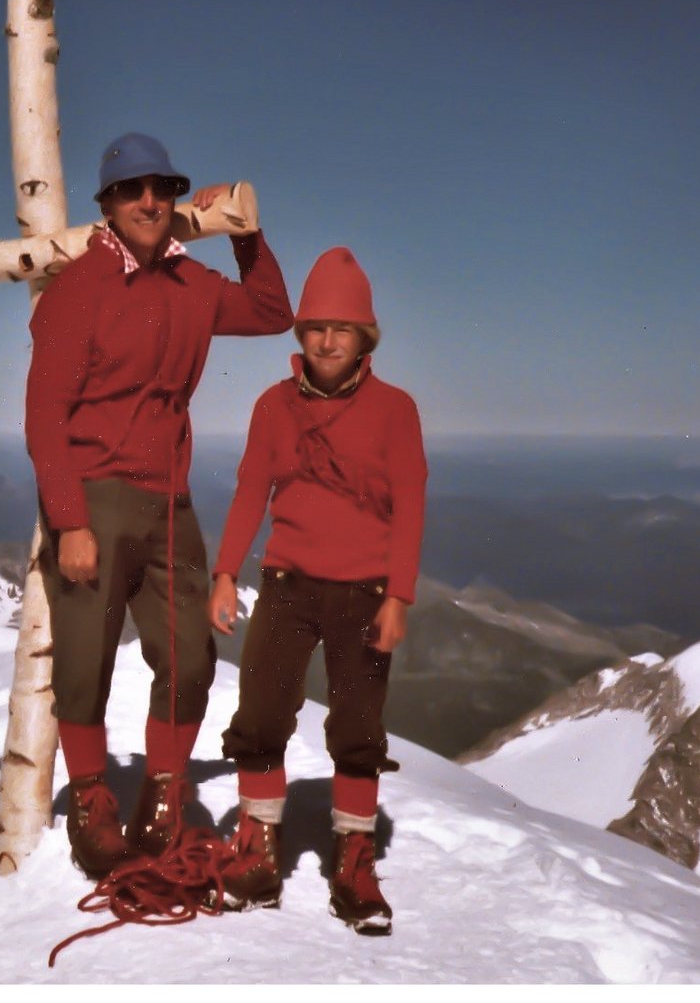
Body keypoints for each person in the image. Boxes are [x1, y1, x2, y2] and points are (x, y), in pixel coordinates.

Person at [25, 132, 294, 879]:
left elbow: (273, 311)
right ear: (107, 204)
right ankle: (91, 803)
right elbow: (46, 413)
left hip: (168, 502)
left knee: (191, 657)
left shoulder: (193, 285)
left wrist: (247, 233)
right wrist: (70, 519)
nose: (150, 202)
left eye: (163, 189)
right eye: (132, 190)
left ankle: (162, 795)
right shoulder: (78, 289)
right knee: (85, 663)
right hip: (96, 497)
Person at [206, 245, 427, 934]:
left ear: (366, 337)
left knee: (358, 726)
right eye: (315, 327)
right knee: (263, 713)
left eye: (343, 328)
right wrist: (223, 573)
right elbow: (250, 490)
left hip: (364, 591)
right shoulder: (273, 406)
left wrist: (400, 597)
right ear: (299, 334)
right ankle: (257, 849)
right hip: (286, 584)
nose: (328, 339)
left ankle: (354, 860)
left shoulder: (396, 409)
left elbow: (411, 505)